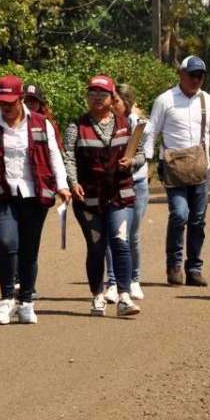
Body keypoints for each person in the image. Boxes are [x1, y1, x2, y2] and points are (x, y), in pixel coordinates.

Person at [0, 75, 70, 324]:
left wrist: (62, 185)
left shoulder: (41, 123)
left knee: (29, 249)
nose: (5, 107)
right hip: (3, 195)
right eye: (1, 102)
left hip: (34, 194)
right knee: (7, 243)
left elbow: (54, 156)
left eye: (10, 102)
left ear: (20, 99)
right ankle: (7, 299)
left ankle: (26, 302)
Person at [144, 55, 210, 287]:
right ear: (181, 74)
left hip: (200, 170)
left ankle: (194, 268)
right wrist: (146, 162)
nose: (196, 80)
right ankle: (174, 265)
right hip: (173, 170)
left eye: (200, 76)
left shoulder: (209, 102)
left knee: (198, 220)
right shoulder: (165, 100)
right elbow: (151, 132)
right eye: (192, 75)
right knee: (179, 214)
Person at [65, 75, 142, 317]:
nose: (97, 98)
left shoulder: (127, 124)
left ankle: (124, 297)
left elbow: (141, 155)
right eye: (92, 93)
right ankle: (97, 295)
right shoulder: (76, 126)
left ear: (112, 98)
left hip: (120, 194)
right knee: (96, 247)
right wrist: (73, 182)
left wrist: (132, 162)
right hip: (89, 198)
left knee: (120, 242)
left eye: (102, 94)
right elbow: (68, 157)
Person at [103, 83, 152, 302]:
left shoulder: (140, 124)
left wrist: (131, 161)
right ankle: (113, 282)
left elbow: (144, 153)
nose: (111, 105)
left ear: (127, 103)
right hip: (113, 184)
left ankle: (134, 279)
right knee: (113, 234)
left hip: (137, 182)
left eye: (116, 101)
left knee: (131, 235)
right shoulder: (105, 122)